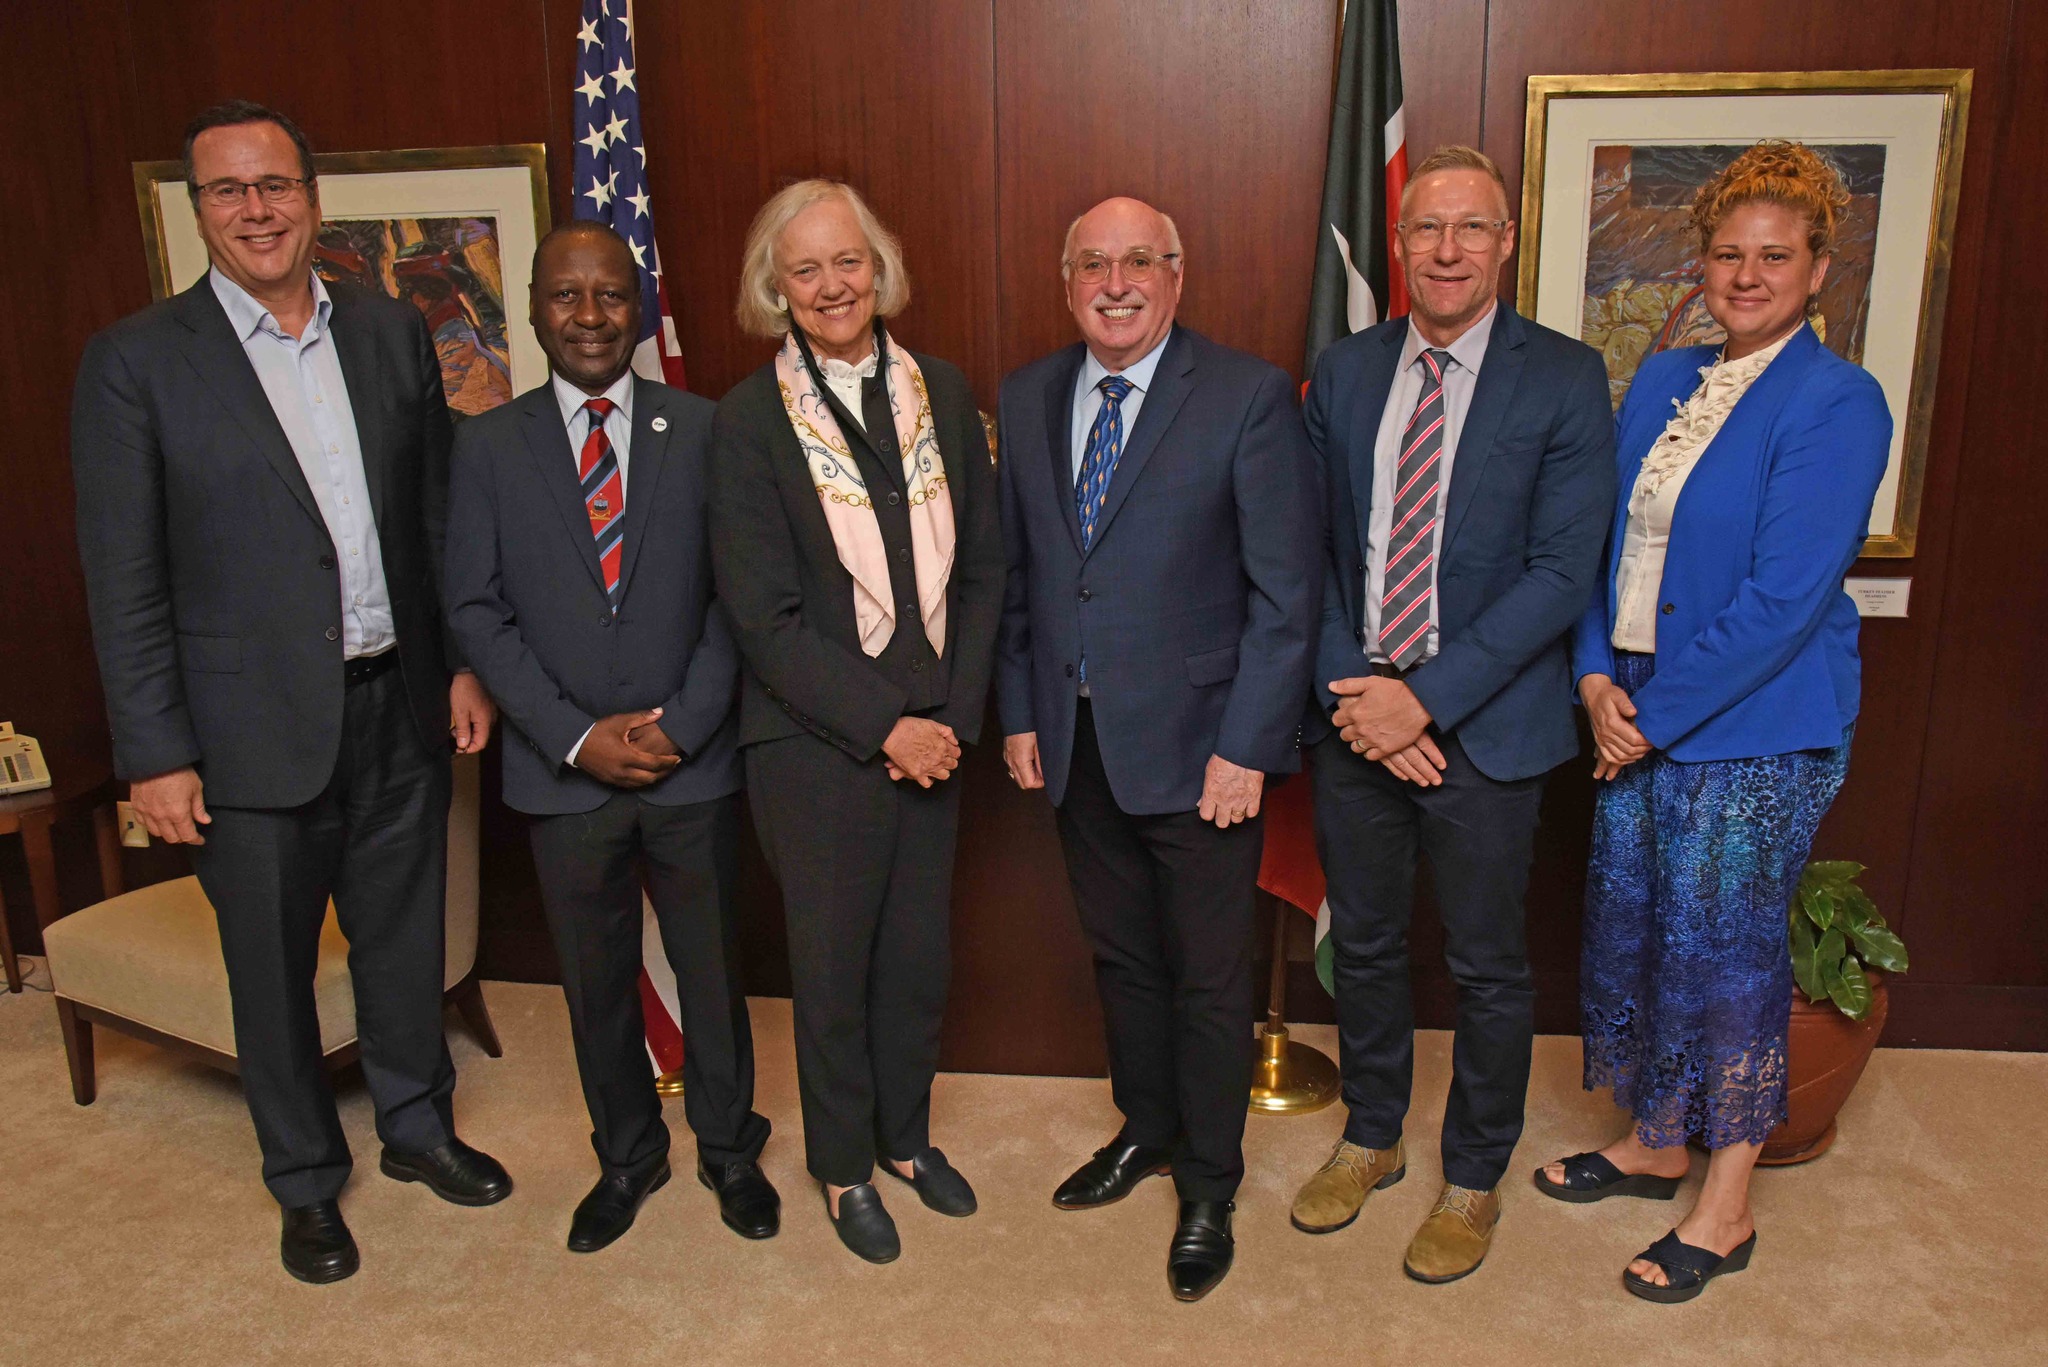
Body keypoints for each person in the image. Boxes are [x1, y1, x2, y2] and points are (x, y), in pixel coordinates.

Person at [70, 100, 508, 1285]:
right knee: (268, 970)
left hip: (399, 701)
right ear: (198, 209)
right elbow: (123, 578)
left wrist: (459, 662)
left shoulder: (389, 329)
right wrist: (155, 752)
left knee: (403, 943)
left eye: (274, 185)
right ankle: (306, 1181)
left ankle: (416, 1127)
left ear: (313, 199)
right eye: (228, 189)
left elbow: (430, 520)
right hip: (243, 731)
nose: (256, 209)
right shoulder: (136, 361)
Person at [1539, 140, 1891, 1304]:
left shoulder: (1835, 401)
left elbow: (1783, 601)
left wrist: (1644, 716)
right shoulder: (1658, 381)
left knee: (1724, 955)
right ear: (1698, 263)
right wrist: (1594, 678)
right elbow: (1599, 544)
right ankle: (1653, 1141)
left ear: (1818, 269)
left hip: (1754, 720)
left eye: (1773, 256)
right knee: (1641, 926)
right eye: (1727, 253)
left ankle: (1725, 1203)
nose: (1745, 275)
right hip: (1634, 701)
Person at [1289, 145, 1615, 1284]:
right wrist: (1360, 695)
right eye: (1426, 228)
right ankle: (1372, 1135)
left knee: (1485, 966)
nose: (1445, 249)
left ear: (1505, 243)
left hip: (1486, 725)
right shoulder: (1344, 371)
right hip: (1355, 718)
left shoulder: (1565, 376)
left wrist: (1421, 701)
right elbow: (1308, 553)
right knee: (1366, 946)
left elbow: (1561, 572)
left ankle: (1472, 1174)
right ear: (1397, 243)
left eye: (1471, 228)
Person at [996, 196, 1322, 1302]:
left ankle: (1210, 1183)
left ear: (1177, 276)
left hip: (1202, 750)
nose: (1115, 282)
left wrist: (1248, 747)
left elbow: (1285, 596)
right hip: (1076, 738)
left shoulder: (1245, 395)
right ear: (1066, 281)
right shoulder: (1029, 395)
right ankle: (1145, 1127)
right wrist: (1021, 711)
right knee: (1123, 959)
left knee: (1207, 977)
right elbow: (1022, 576)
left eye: (1139, 260)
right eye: (1093, 262)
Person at [443, 222, 776, 1254]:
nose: (589, 317)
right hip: (564, 772)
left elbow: (741, 597)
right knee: (594, 983)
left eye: (610, 295)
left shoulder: (707, 428)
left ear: (639, 308)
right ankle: (627, 1155)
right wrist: (575, 736)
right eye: (566, 296)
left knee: (712, 972)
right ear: (533, 308)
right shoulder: (486, 445)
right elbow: (476, 607)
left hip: (691, 762)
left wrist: (682, 724)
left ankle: (729, 1148)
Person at [709, 180, 1003, 1264]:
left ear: (878, 269)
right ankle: (843, 1166)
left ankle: (905, 1139)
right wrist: (889, 726)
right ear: (774, 287)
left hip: (936, 738)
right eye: (806, 268)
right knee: (832, 969)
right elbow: (764, 621)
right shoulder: (747, 422)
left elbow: (984, 571)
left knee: (915, 962)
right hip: (816, 744)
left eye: (848, 261)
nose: (831, 285)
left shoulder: (943, 391)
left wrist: (951, 717)